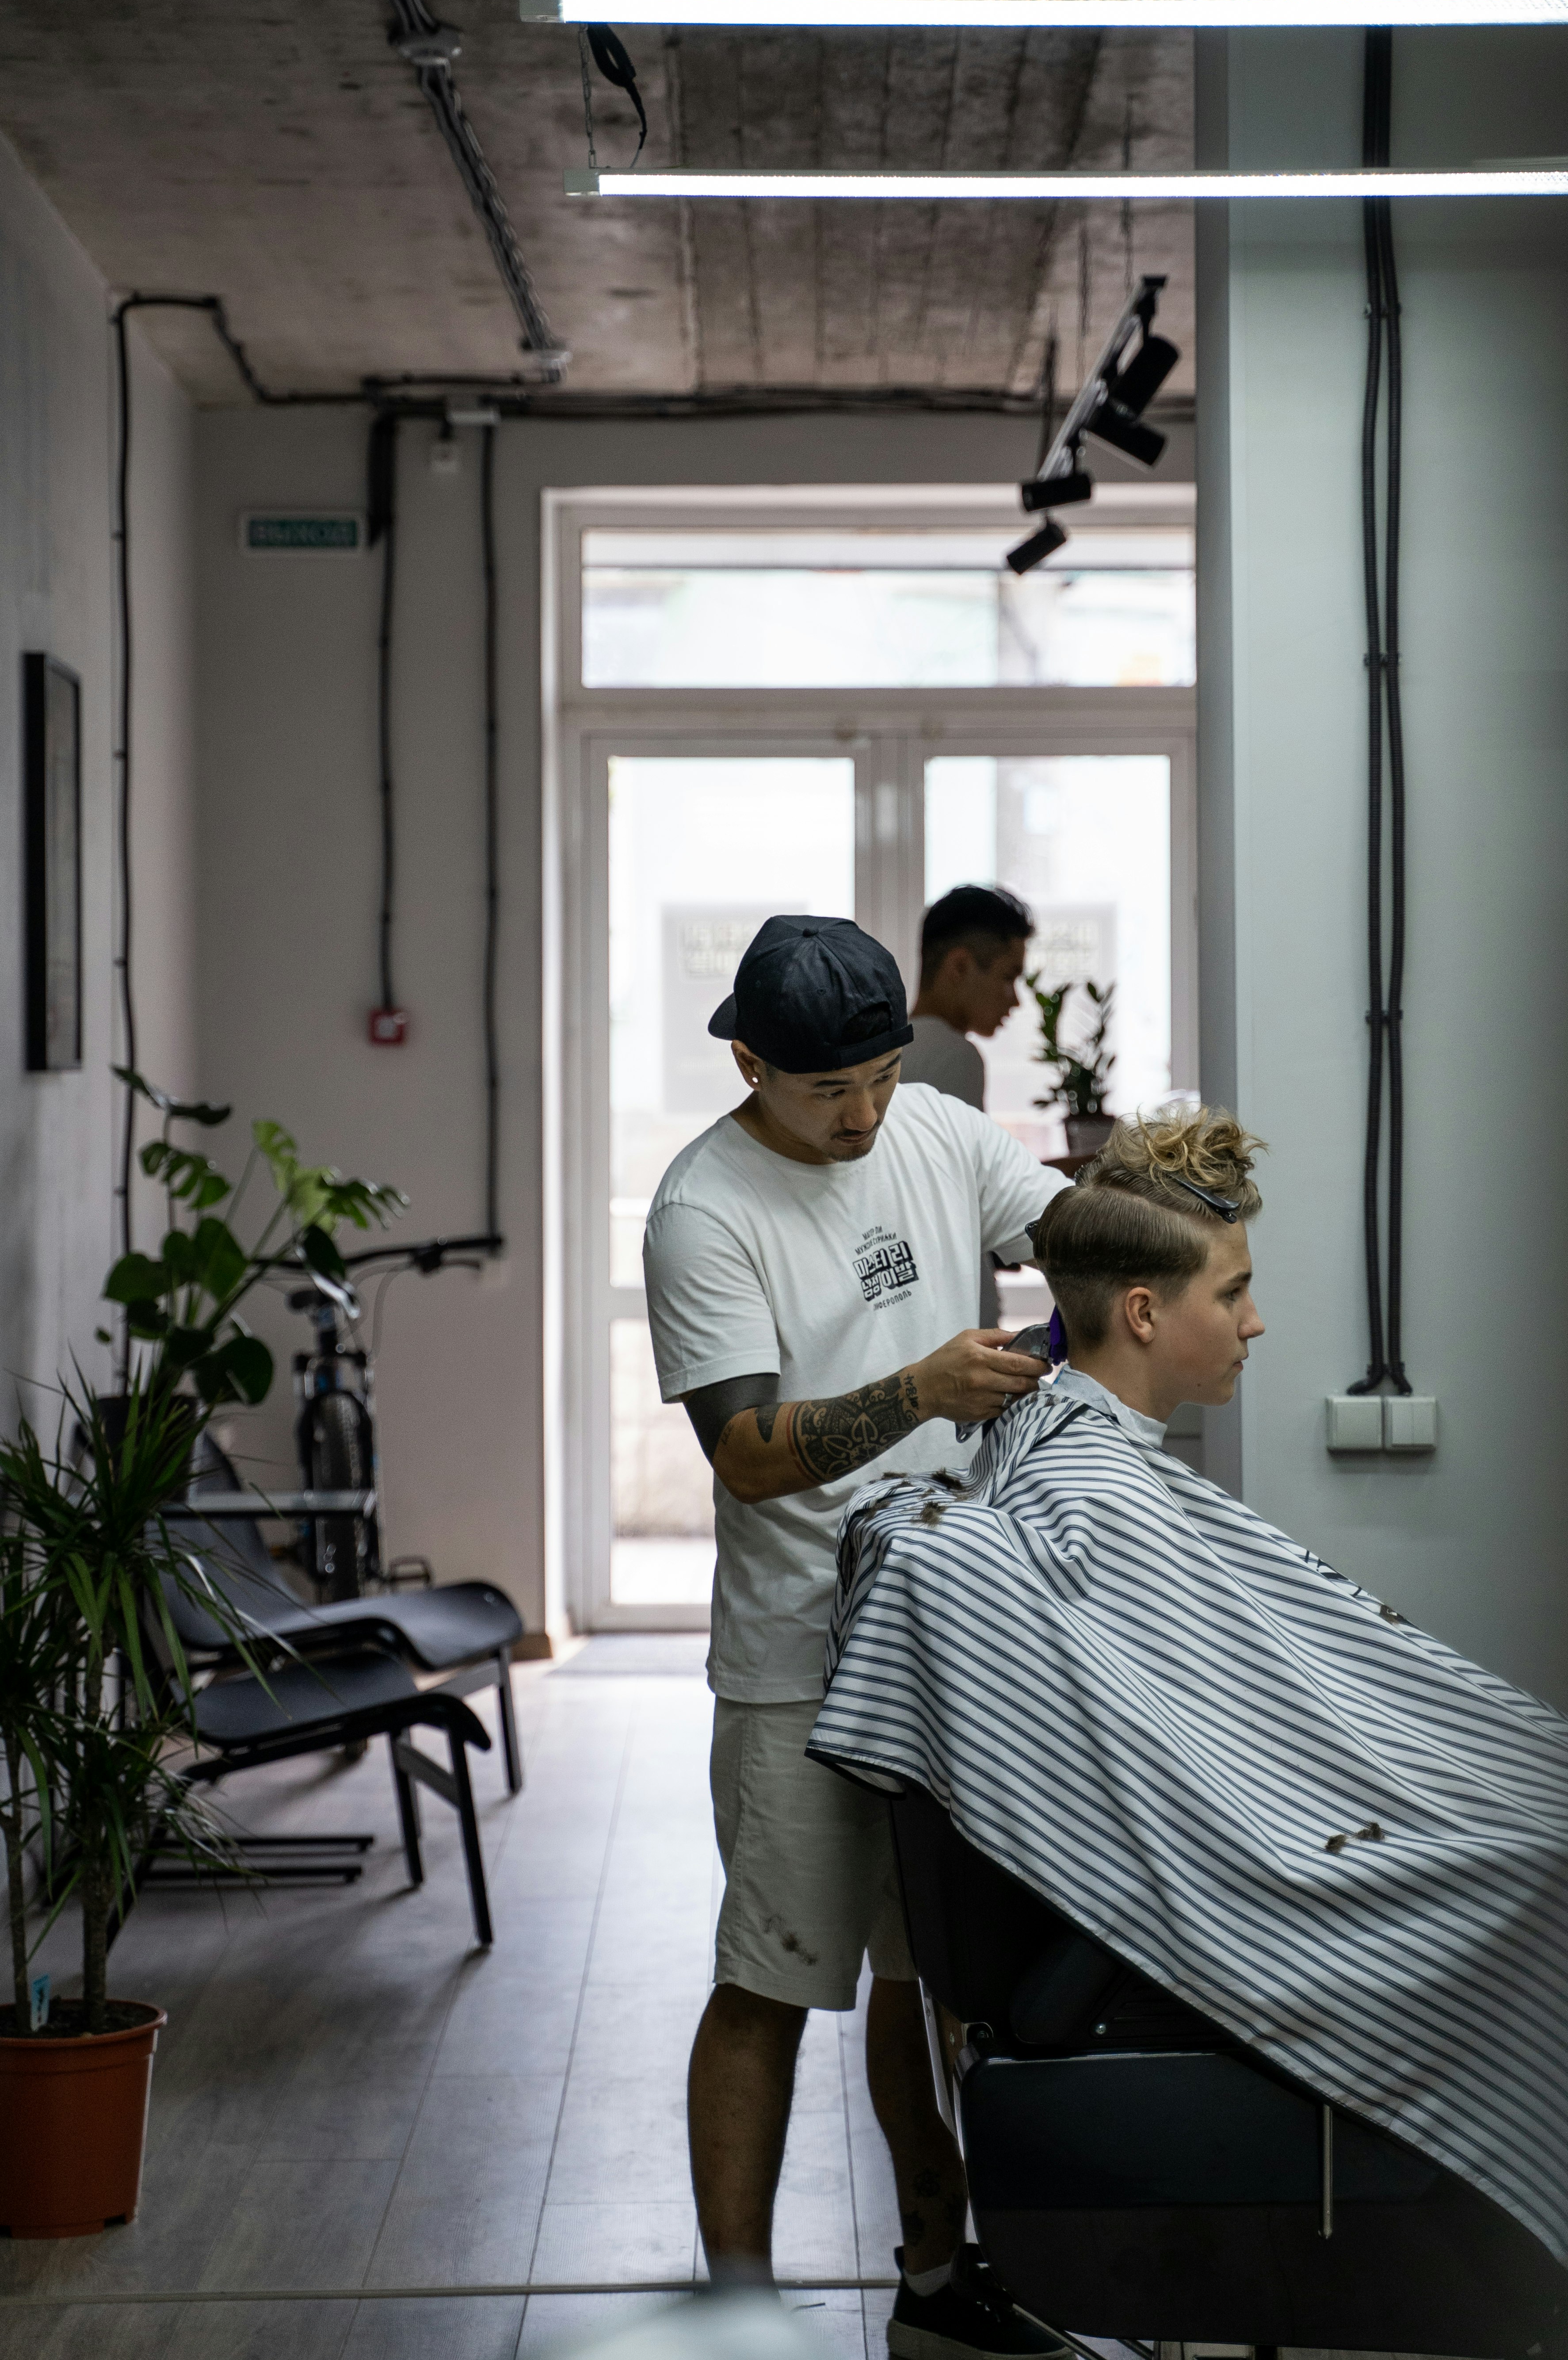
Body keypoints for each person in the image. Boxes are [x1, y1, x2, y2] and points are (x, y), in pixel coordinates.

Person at [813, 1109, 1568, 2315]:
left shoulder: (1067, 1448)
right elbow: (1216, 1795)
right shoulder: (1091, 1495)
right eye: (1234, 1293)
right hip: (1270, 1877)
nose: (1255, 1322)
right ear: (1144, 1312)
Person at [641, 914, 1074, 2360]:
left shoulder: (934, 1127)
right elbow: (752, 1453)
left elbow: (1067, 1232)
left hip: (945, 1637)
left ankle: (936, 2283)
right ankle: (733, 2312)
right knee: (770, 1984)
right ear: (748, 1061)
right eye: (832, 1091)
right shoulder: (703, 1207)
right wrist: (917, 1390)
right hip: (795, 1664)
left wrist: (1156, 1200)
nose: (866, 1116)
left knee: (924, 1982)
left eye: (883, 1076)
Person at [898, 885, 1035, 1327]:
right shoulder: (952, 1056)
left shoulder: (897, 1055)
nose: (1014, 999)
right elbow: (976, 1195)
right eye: (1007, 976)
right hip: (953, 1322)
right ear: (960, 966)